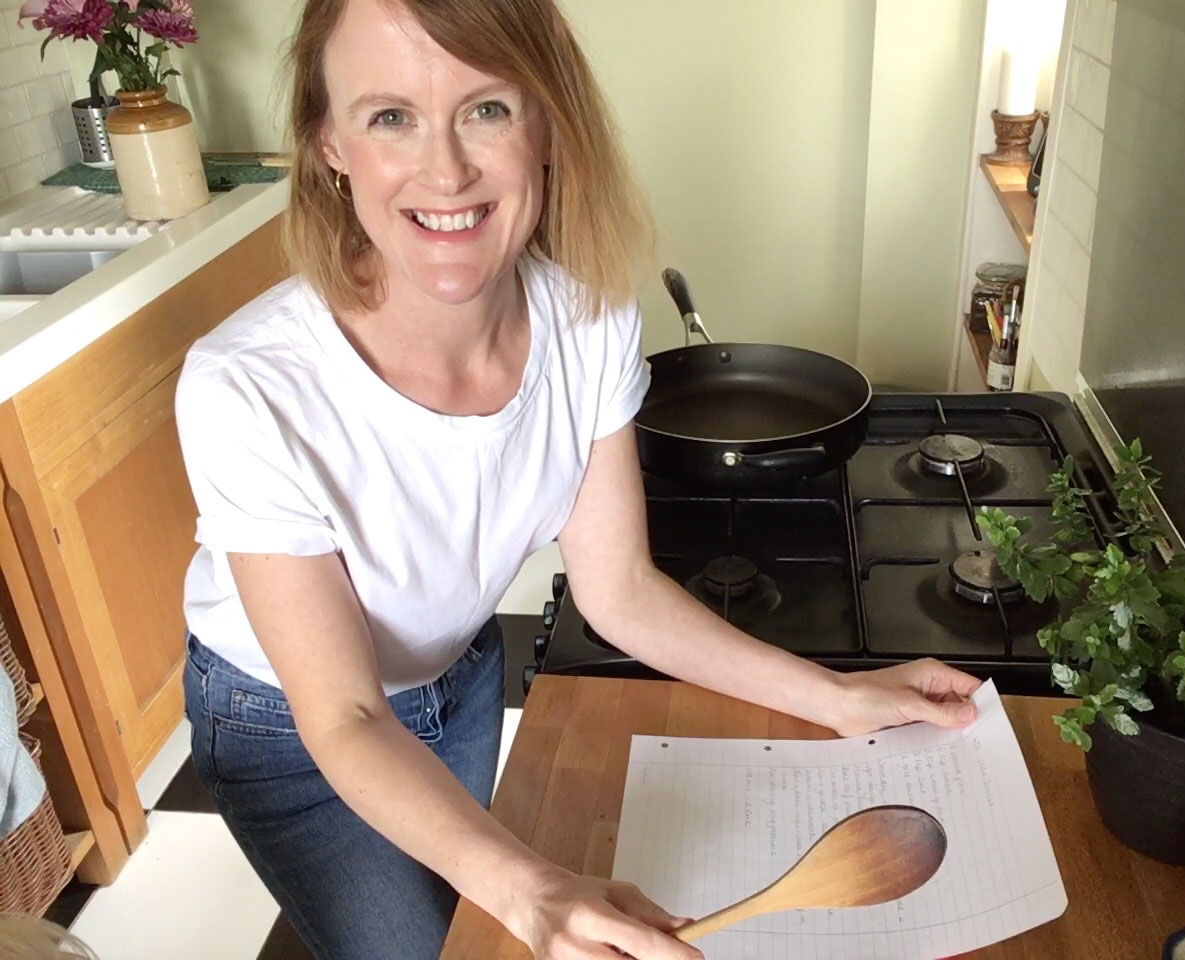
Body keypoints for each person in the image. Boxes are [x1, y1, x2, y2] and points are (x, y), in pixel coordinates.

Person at [174, 0, 983, 958]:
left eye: (488, 109)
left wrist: (839, 698)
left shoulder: (588, 321)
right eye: (390, 117)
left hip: (458, 668)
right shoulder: (249, 385)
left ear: (549, 124)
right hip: (286, 717)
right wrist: (537, 894)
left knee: (470, 923)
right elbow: (344, 714)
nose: (446, 171)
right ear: (329, 144)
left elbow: (621, 592)